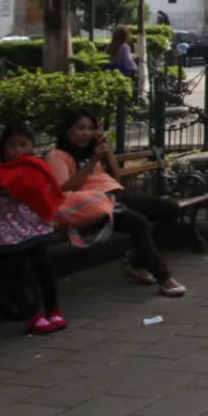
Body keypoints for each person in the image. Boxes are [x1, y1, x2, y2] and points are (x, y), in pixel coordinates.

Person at [48, 111, 187, 297]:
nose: (86, 133)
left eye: (90, 129)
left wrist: (107, 151)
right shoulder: (57, 156)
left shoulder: (90, 151)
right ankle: (163, 277)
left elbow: (116, 176)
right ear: (67, 131)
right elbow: (65, 189)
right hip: (92, 206)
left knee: (170, 209)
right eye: (80, 128)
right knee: (138, 222)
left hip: (117, 195)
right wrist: (93, 161)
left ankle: (138, 263)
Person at [0, 127, 66, 335]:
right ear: (3, 150)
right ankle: (32, 315)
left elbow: (49, 191)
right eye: (12, 146)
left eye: (23, 144)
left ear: (32, 145)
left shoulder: (39, 166)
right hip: (11, 227)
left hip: (36, 223)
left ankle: (53, 309)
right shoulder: (0, 171)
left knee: (45, 266)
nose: (18, 150)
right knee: (14, 272)